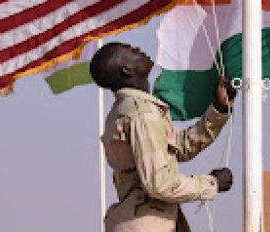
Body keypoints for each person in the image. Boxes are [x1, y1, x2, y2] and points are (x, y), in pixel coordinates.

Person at [90, 42, 235, 232]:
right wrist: (211, 184)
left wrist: (218, 109)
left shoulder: (126, 111)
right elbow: (159, 184)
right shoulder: (141, 112)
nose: (139, 48)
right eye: (132, 51)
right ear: (127, 69)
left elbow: (180, 147)